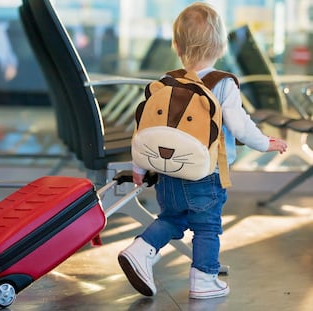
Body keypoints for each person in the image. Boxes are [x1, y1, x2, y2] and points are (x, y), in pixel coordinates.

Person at [118, 2, 288, 300]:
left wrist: (139, 168)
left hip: (167, 173)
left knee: (172, 219)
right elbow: (240, 125)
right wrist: (265, 142)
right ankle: (204, 279)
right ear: (220, 45)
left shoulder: (164, 83)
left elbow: (144, 131)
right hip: (205, 175)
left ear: (176, 45)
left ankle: (141, 248)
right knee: (207, 228)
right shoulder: (223, 85)